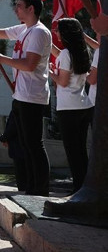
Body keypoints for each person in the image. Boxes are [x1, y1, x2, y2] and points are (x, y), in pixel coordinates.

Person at [0, 0, 52, 196]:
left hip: (32, 96)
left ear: (31, 9)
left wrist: (2, 59)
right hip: (21, 96)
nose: (15, 10)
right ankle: (31, 187)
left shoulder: (38, 32)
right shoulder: (23, 30)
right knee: (25, 144)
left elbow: (29, 64)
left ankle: (40, 189)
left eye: (19, 6)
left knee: (34, 144)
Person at [50, 18, 95, 193]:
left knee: (72, 152)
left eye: (58, 30)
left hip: (68, 108)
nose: (56, 33)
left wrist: (49, 72)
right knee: (81, 151)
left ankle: (78, 189)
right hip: (83, 105)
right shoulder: (83, 52)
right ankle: (84, 187)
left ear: (66, 33)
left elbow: (62, 81)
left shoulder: (65, 55)